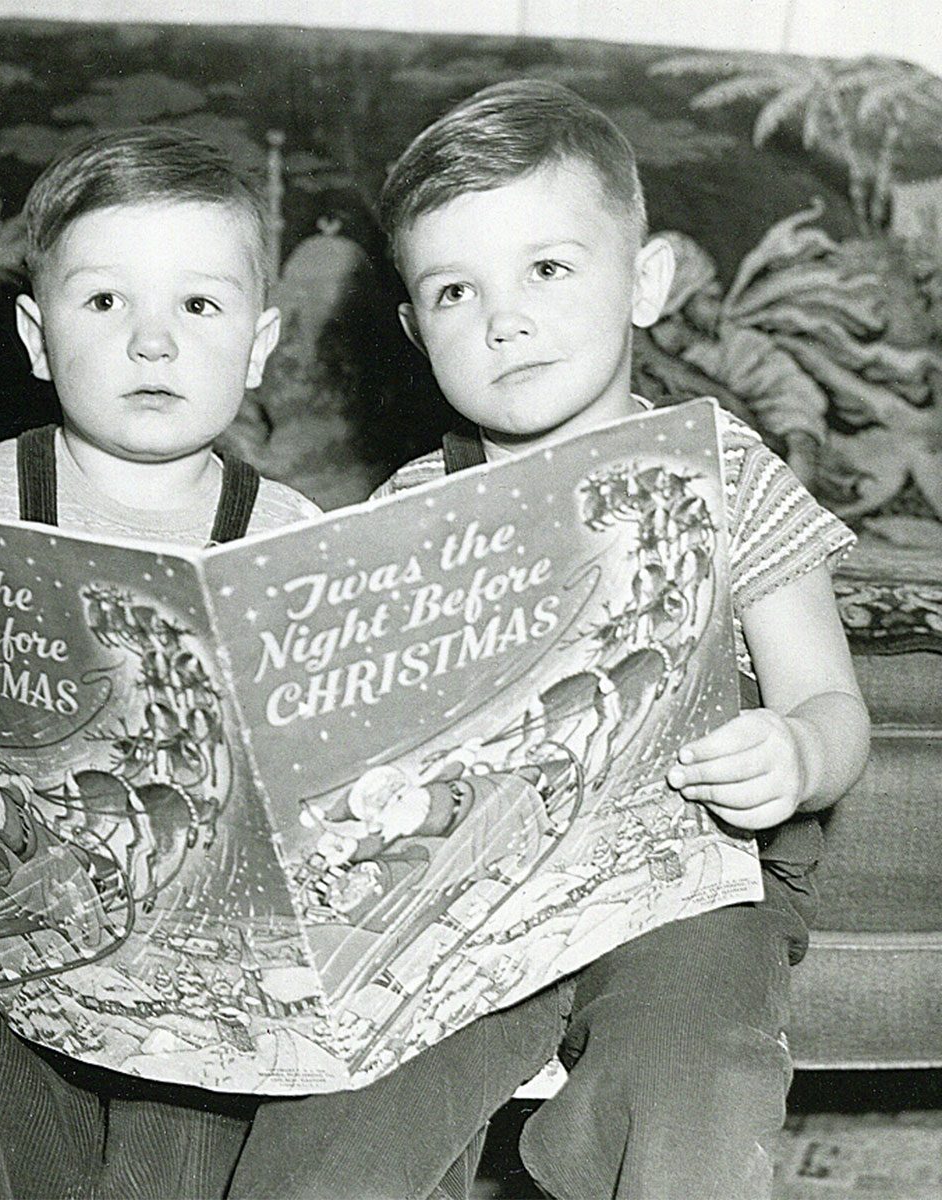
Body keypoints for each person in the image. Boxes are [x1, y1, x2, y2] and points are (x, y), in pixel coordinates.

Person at [226, 80, 870, 1200]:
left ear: (648, 282)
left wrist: (797, 755)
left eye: (548, 269)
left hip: (694, 877)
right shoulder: (417, 502)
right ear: (414, 329)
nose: (503, 318)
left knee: (695, 1082)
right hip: (475, 886)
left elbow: (833, 702)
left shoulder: (721, 468)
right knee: (332, 1111)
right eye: (454, 290)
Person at [0, 126, 320, 1199]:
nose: (153, 342)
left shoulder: (291, 531)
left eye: (197, 306)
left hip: (200, 936)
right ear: (38, 335)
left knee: (192, 1148)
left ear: (257, 344)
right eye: (105, 302)